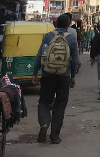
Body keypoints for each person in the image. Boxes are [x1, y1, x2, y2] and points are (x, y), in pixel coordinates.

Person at [32, 14, 78, 144]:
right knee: (60, 104)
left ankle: (44, 123)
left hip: (47, 74)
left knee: (44, 101)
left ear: (56, 23)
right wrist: (72, 77)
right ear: (68, 25)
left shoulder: (48, 36)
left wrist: (35, 73)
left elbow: (40, 55)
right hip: (64, 76)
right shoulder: (71, 39)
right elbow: (74, 60)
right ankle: (54, 136)